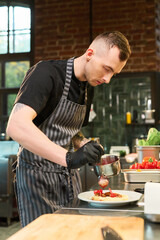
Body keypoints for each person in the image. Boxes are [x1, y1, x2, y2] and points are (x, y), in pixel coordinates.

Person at [6, 31, 131, 227]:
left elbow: (70, 130)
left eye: (113, 73)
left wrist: (84, 144)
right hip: (36, 178)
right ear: (90, 54)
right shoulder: (46, 73)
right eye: (106, 69)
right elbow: (16, 126)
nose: (107, 79)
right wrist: (69, 158)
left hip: (69, 180)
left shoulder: (89, 87)